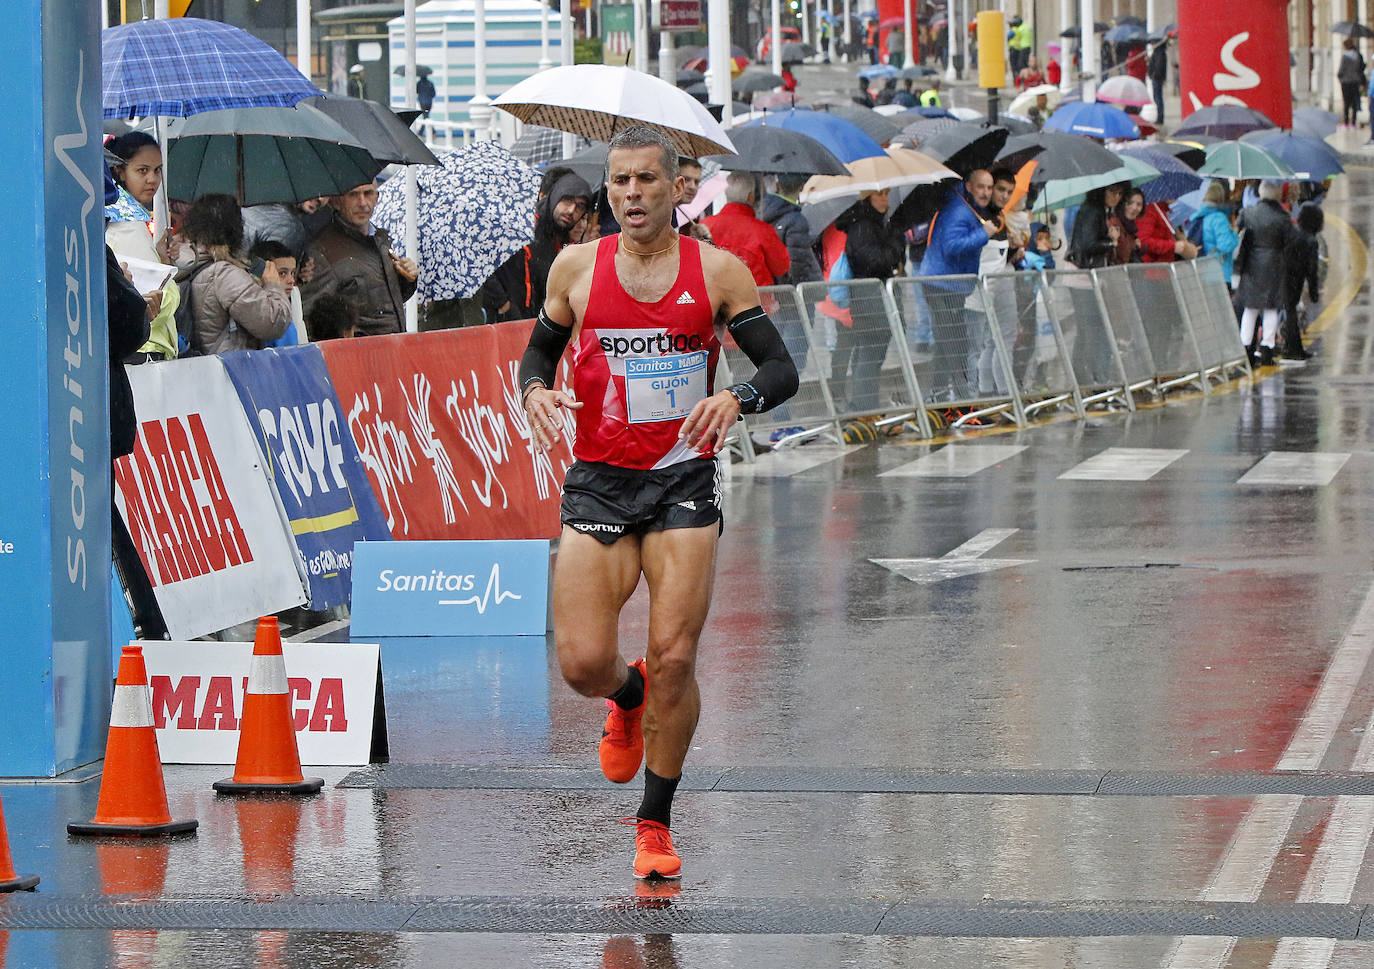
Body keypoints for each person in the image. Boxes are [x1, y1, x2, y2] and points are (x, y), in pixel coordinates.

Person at [516, 125, 797, 881]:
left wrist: (736, 397)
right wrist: (536, 390)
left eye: (646, 180)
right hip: (601, 478)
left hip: (682, 480)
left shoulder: (718, 272)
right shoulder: (575, 268)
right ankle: (627, 693)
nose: (631, 194)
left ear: (679, 188)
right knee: (580, 663)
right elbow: (539, 351)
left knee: (677, 654)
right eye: (619, 183)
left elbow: (779, 367)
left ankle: (653, 820)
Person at [301, 180, 419, 336]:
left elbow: (380, 303)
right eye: (353, 195)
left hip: (394, 350)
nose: (362, 203)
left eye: (368, 193)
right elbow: (310, 321)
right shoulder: (324, 251)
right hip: (359, 355)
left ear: (377, 198)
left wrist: (405, 280)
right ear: (336, 201)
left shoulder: (379, 241)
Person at [177, 194, 291, 354]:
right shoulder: (223, 274)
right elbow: (273, 323)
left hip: (198, 365)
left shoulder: (184, 263)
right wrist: (274, 286)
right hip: (230, 368)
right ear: (235, 228)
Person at [919, 169, 999, 398]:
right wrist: (983, 234)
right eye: (981, 187)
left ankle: (938, 397)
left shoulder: (971, 208)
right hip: (940, 283)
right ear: (970, 187)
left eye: (989, 187)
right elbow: (951, 246)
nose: (986, 192)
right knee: (955, 345)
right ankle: (963, 400)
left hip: (951, 284)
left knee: (948, 345)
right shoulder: (959, 211)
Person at [482, 167, 592, 322]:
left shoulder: (559, 236)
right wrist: (503, 304)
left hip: (533, 323)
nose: (571, 210)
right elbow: (483, 262)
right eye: (567, 200)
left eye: (580, 206)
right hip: (505, 322)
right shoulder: (523, 224)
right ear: (554, 196)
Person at [829, 189, 905, 412]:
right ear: (867, 198)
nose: (885, 198)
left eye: (886, 193)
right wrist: (895, 242)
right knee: (870, 354)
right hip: (869, 298)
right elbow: (875, 261)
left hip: (872, 297)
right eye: (879, 194)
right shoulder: (863, 225)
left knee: (870, 353)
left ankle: (865, 403)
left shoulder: (875, 223)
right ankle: (863, 405)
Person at [1235, 180, 1295, 367]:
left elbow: (1239, 232)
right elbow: (1290, 241)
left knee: (1250, 308)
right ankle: (1267, 348)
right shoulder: (1283, 217)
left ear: (1260, 193)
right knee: (1271, 308)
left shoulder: (1248, 213)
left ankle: (1246, 348)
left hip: (1252, 265)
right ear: (1277, 194)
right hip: (1275, 265)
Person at [701, 172, 790, 288]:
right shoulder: (763, 230)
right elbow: (781, 268)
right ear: (750, 196)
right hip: (758, 298)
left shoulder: (705, 225)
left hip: (714, 296)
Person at [1281, 204, 1322, 362]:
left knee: (1289, 311)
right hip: (1296, 279)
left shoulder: (1294, 233)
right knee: (1291, 313)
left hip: (1285, 275)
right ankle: (1293, 348)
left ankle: (1294, 347)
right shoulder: (1311, 240)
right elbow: (1312, 269)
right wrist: (1313, 291)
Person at [248, 240, 306, 346]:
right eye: (282, 273)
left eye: (292, 273)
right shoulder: (278, 318)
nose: (291, 280)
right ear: (261, 273)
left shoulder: (292, 307)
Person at [1187, 181, 1241, 282]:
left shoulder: (1196, 215)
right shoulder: (1218, 218)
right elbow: (1226, 246)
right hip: (1218, 272)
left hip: (1201, 269)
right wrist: (1234, 233)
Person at [1136, 196, 1197, 263]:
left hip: (1162, 266)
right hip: (1151, 268)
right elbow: (1142, 241)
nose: (1175, 194)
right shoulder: (1149, 209)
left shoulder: (1161, 209)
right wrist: (1173, 246)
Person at [1110, 187, 1145, 265]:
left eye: (1139, 204)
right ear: (1123, 203)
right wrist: (1114, 241)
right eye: (1130, 202)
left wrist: (1137, 247)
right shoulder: (1113, 224)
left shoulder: (1131, 229)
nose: (1134, 207)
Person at [1338, 38, 1366, 128]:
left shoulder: (1345, 56)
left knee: (1346, 102)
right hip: (1355, 81)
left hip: (1346, 82)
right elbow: (1360, 68)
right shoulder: (1357, 55)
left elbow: (1341, 70)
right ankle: (1353, 122)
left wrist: (1340, 77)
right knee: (1354, 102)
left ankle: (1346, 122)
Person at [1147, 38, 1169, 125]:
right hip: (1156, 78)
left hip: (1157, 78)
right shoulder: (1157, 52)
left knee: (1158, 98)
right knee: (1157, 98)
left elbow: (1158, 67)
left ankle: (1160, 117)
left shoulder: (1159, 53)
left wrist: (1154, 75)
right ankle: (1159, 116)